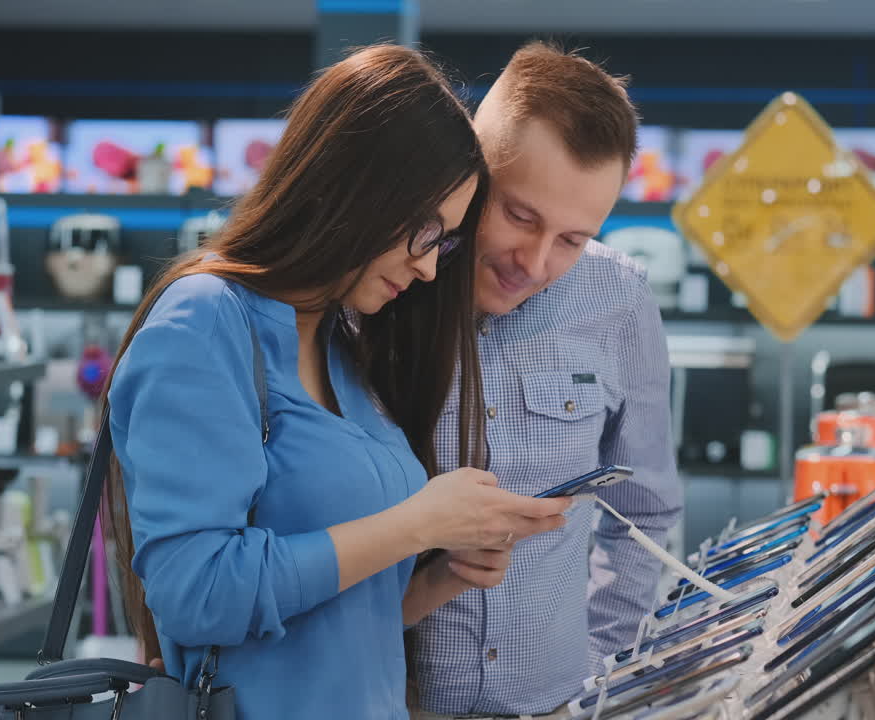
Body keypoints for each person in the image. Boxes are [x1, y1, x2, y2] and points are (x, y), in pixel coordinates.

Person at [104, 45, 572, 720]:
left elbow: (331, 630)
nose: (429, 269)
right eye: (423, 231)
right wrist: (415, 525)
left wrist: (442, 574)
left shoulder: (336, 340)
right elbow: (196, 594)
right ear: (354, 190)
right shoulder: (205, 321)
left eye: (443, 242)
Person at [408, 42, 683, 718]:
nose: (532, 263)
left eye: (572, 239)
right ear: (472, 170)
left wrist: (601, 664)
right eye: (519, 216)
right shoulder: (386, 290)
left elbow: (645, 508)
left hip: (557, 702)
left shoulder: (620, 300)